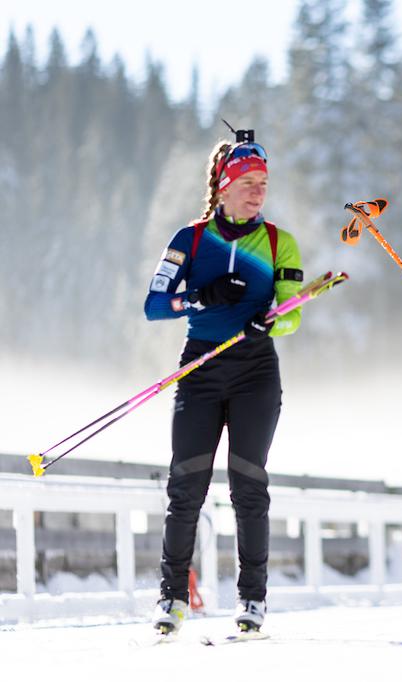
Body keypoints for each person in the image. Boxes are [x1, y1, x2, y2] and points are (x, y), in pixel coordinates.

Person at [143, 134, 304, 634]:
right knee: (185, 484)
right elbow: (154, 305)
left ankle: (251, 599)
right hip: (201, 369)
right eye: (249, 183)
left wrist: (268, 321)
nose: (258, 193)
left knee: (248, 485)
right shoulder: (189, 240)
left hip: (255, 369)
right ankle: (171, 598)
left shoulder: (280, 242)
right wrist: (200, 297)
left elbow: (291, 312)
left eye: (264, 184)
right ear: (224, 186)